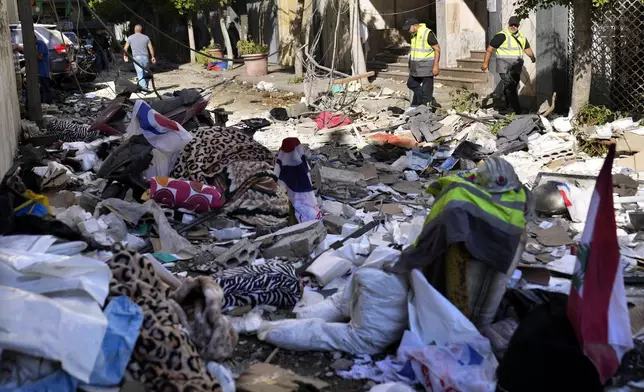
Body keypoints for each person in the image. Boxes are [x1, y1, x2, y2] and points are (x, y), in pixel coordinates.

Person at [481, 16, 536, 114]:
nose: (513, 27)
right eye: (511, 24)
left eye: (515, 25)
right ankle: (517, 110)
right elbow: (490, 49)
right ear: (508, 24)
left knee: (512, 87)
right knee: (510, 86)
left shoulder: (522, 36)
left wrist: (532, 57)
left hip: (516, 66)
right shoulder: (502, 35)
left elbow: (527, 49)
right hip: (504, 65)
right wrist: (485, 63)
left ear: (518, 26)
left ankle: (507, 107)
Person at [403, 18, 441, 111]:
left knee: (427, 89)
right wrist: (410, 64)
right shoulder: (413, 35)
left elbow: (437, 49)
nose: (408, 31)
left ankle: (427, 109)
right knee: (411, 84)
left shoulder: (427, 33)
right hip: (416, 66)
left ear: (415, 25)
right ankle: (426, 101)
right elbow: (414, 51)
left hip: (427, 66)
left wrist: (436, 66)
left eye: (409, 28)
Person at [123, 24, 156, 90]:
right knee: (146, 72)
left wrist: (125, 56)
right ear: (141, 30)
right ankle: (145, 87)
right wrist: (152, 57)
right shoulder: (146, 37)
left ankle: (144, 88)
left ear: (134, 30)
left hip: (136, 58)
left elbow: (125, 48)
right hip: (145, 57)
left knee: (140, 72)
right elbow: (151, 48)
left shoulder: (130, 37)